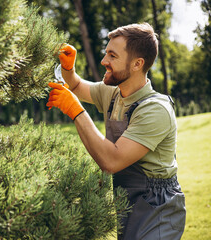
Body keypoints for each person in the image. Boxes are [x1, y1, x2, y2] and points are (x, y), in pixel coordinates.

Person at [46, 23, 186, 240]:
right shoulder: (114, 93)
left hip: (157, 206)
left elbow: (111, 161)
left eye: (112, 55)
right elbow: (75, 86)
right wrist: (68, 69)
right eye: (105, 53)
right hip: (128, 201)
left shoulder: (155, 109)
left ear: (137, 64)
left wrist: (75, 110)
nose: (104, 61)